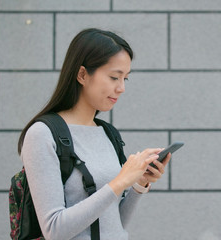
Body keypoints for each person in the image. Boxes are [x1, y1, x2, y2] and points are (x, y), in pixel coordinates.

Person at [17, 28, 170, 240]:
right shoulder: (43, 134)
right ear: (82, 75)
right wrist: (119, 182)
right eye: (114, 77)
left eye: (126, 78)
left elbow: (112, 223)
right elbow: (54, 230)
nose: (121, 88)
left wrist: (138, 183)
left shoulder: (108, 134)